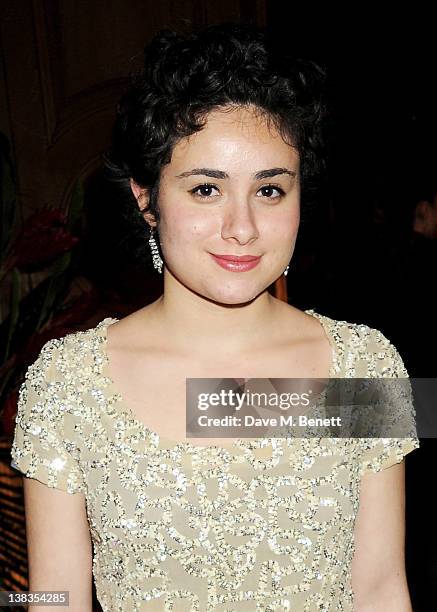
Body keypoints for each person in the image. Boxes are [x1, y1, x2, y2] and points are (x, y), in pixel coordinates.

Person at [10, 22, 419, 611]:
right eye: (206, 189)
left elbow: (382, 587)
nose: (243, 227)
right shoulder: (68, 383)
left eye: (270, 190)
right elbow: (53, 600)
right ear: (145, 197)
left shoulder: (369, 366)